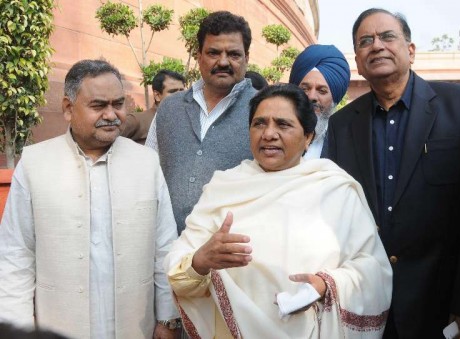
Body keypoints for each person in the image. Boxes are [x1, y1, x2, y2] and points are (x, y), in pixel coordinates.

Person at [165, 84, 392, 338]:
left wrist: (325, 285)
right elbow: (178, 265)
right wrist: (201, 261)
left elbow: (372, 269)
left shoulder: (335, 189)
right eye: (259, 124)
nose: (269, 134)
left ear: (308, 137)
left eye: (283, 125)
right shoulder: (224, 188)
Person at [323, 8, 460, 338]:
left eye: (387, 36)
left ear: (410, 50)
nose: (376, 46)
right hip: (367, 302)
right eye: (365, 41)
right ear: (358, 61)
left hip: (442, 302)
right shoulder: (341, 125)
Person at [0, 59, 179, 339]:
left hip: (135, 327)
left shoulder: (146, 162)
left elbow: (165, 246)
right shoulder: (35, 163)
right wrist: (19, 330)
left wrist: (168, 319)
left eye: (118, 104)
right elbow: (15, 255)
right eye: (98, 106)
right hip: (58, 326)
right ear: (69, 109)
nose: (112, 114)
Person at [145, 11, 256, 235]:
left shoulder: (264, 110)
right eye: (213, 53)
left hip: (233, 254)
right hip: (167, 248)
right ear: (199, 56)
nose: (223, 62)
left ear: (247, 57)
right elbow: (148, 170)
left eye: (233, 54)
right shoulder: (170, 108)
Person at [289, 44, 350, 159]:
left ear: (334, 99)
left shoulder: (346, 143)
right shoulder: (273, 135)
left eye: (322, 91)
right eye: (305, 89)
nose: (311, 97)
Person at [121, 70, 185, 145]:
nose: (180, 96)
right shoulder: (136, 120)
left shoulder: (185, 122)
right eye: (172, 91)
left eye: (182, 91)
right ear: (157, 95)